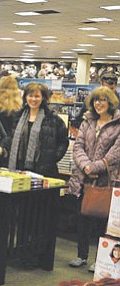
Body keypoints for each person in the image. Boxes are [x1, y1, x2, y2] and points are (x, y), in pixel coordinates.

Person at [68, 87, 120, 272]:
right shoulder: (87, 122)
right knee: (82, 217)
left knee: (102, 221)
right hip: (83, 179)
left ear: (110, 102)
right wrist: (85, 166)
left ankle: (100, 259)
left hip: (106, 180)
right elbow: (78, 147)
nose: (99, 103)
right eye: (96, 100)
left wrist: (95, 167)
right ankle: (81, 255)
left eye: (103, 100)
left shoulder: (118, 124)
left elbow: (116, 154)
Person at [7, 82, 68, 177]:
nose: (33, 99)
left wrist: (51, 158)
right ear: (26, 97)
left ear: (43, 98)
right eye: (30, 96)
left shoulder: (52, 118)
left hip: (43, 171)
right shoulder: (16, 117)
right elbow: (9, 138)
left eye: (37, 96)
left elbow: (63, 142)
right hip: (18, 168)